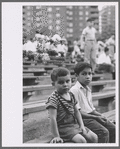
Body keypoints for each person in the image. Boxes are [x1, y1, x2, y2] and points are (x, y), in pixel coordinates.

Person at [46, 67, 98, 143]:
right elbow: (52, 118)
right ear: (53, 84)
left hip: (74, 124)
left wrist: (82, 126)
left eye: (67, 81)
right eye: (61, 82)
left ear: (71, 80)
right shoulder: (54, 98)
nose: (65, 85)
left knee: (94, 137)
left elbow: (77, 112)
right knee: (82, 140)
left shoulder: (71, 94)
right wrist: (56, 136)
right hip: (62, 128)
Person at [70, 62, 115, 143]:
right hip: (81, 119)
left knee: (113, 127)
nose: (88, 77)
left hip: (90, 117)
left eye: (90, 74)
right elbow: (77, 112)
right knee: (103, 132)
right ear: (76, 76)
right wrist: (96, 117)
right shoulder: (74, 90)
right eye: (84, 74)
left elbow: (91, 109)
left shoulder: (88, 89)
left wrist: (101, 115)